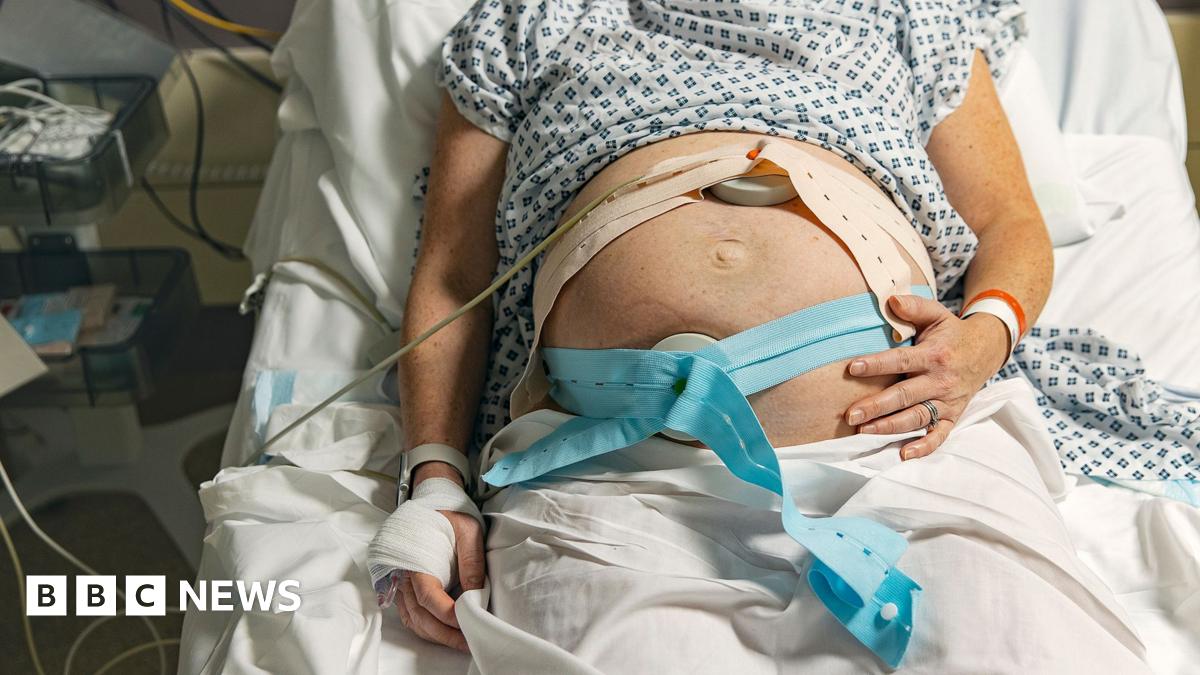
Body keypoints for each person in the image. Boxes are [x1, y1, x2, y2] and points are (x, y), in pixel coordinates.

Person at [379, 0, 1132, 668]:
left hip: (899, 446)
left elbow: (1013, 225)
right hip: (610, 469)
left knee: (1019, 645)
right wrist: (435, 480)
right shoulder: (530, 19)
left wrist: (986, 337)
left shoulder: (909, 12)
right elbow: (452, 277)